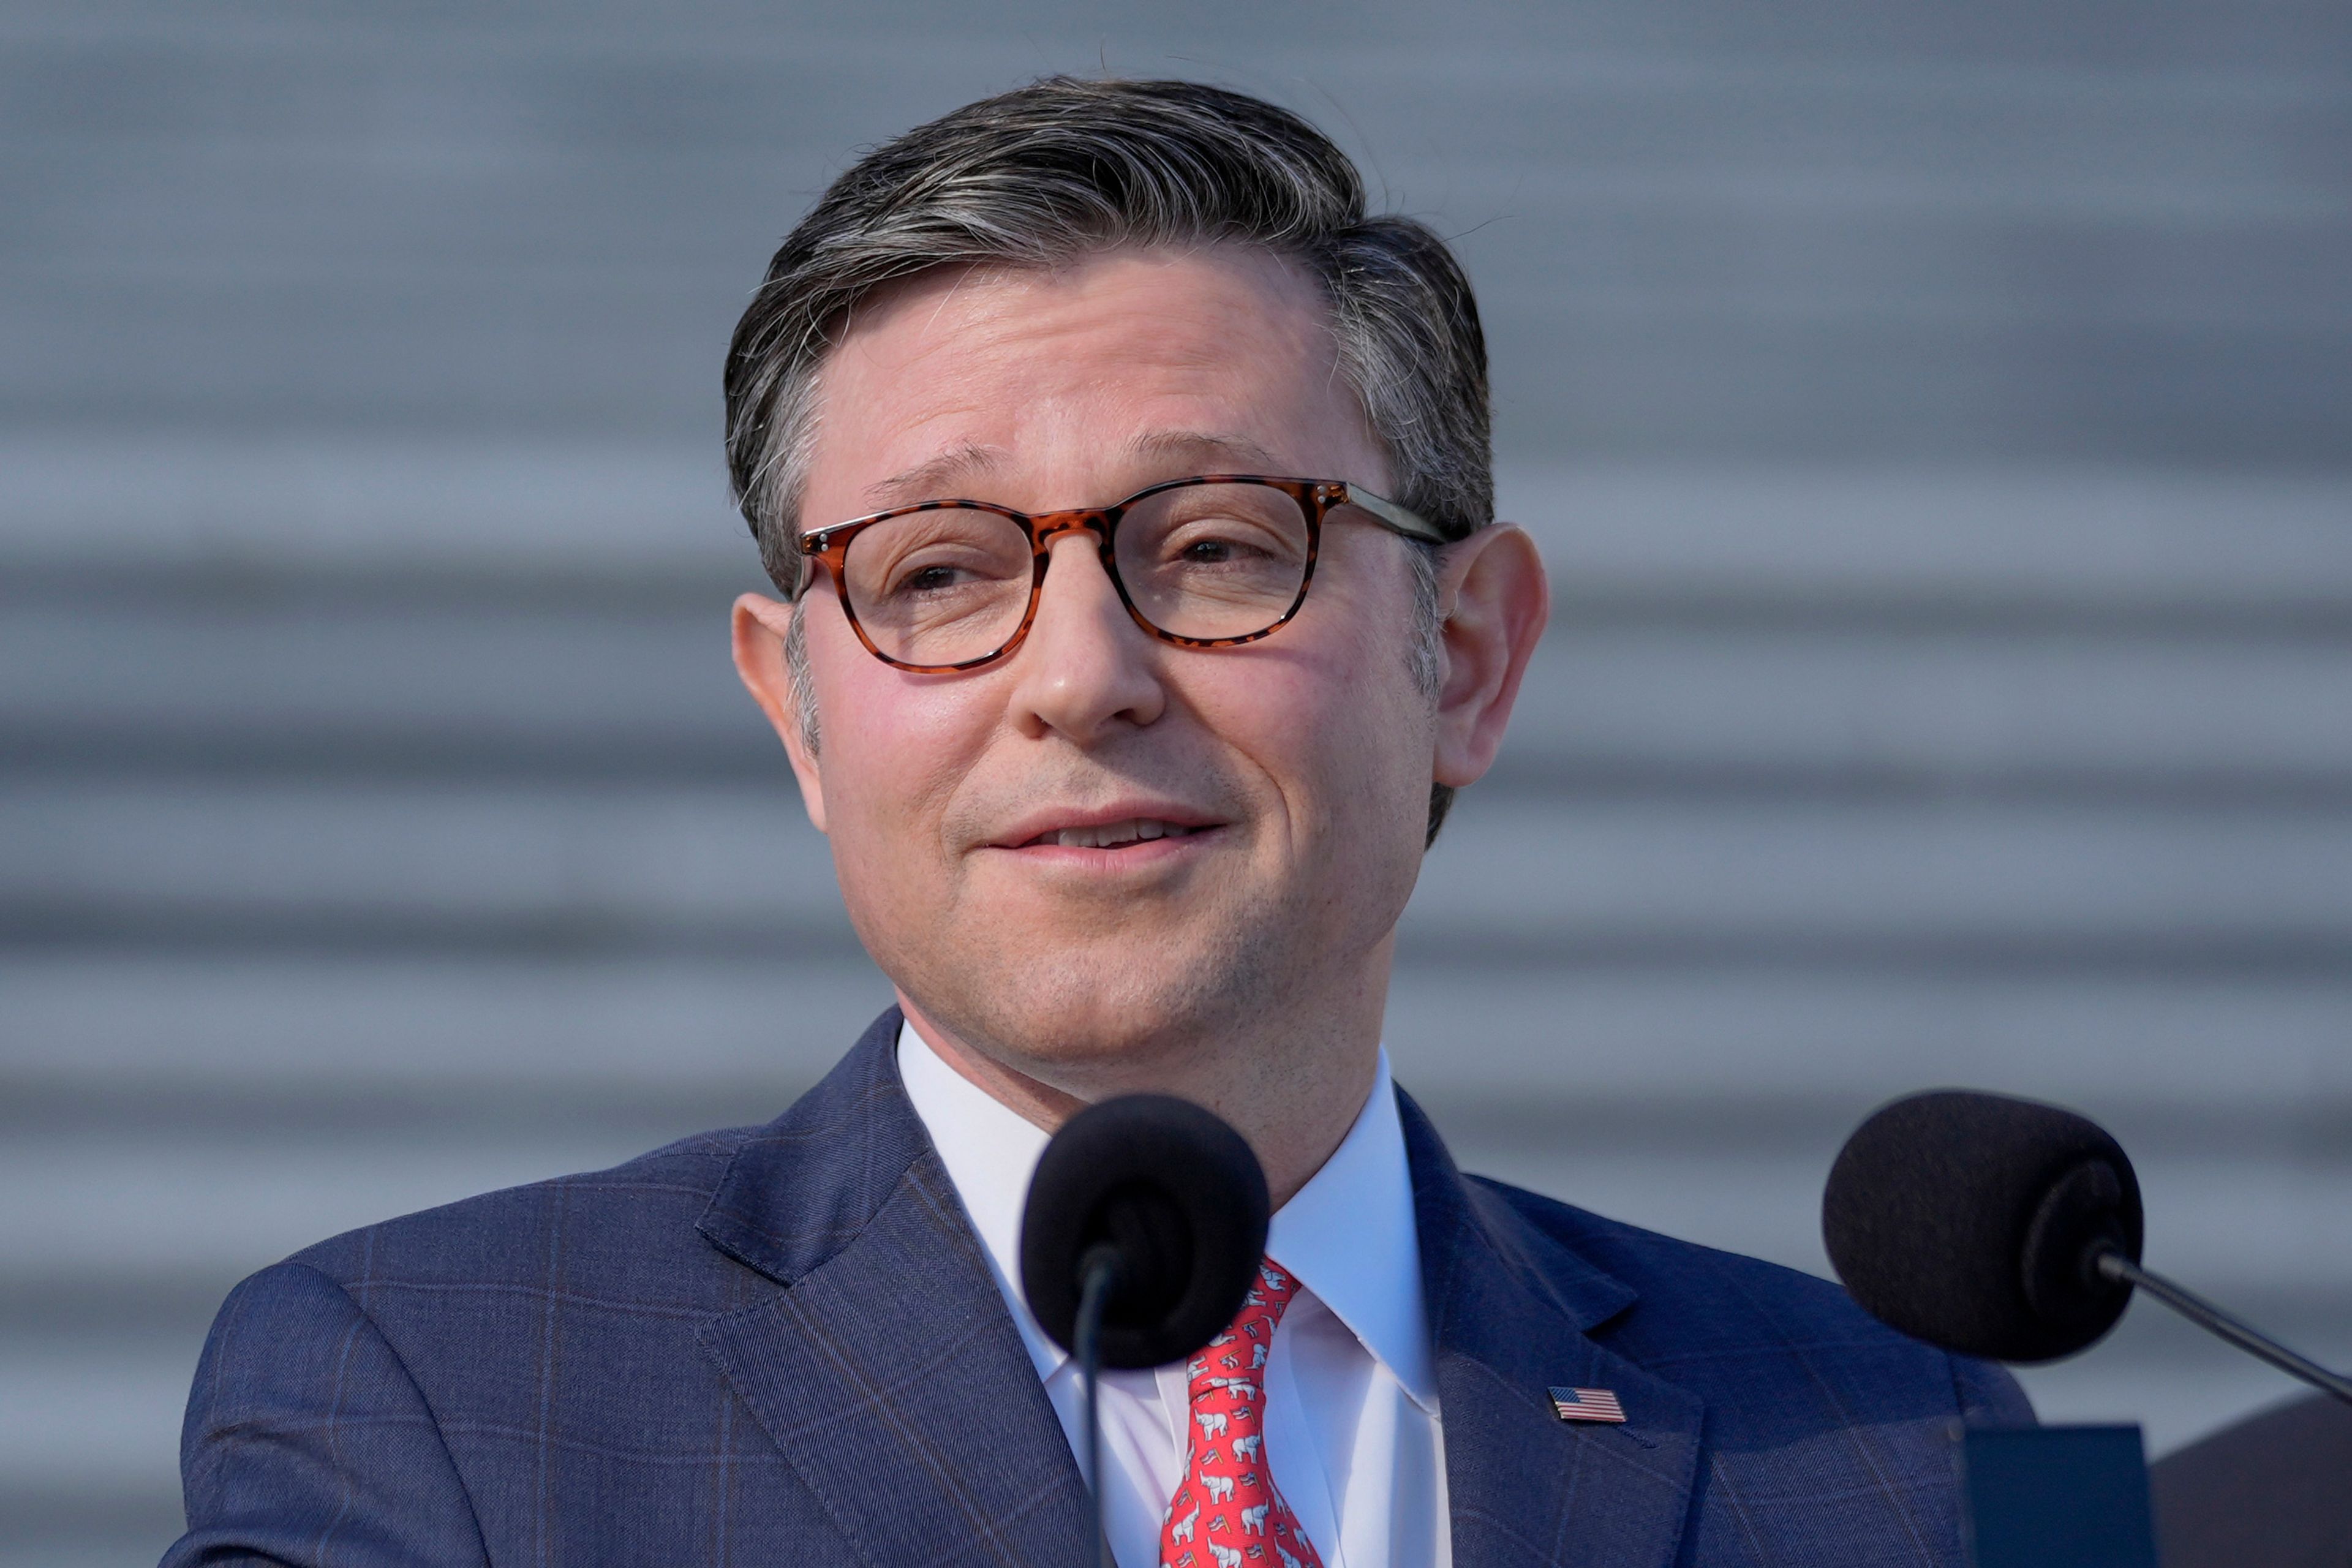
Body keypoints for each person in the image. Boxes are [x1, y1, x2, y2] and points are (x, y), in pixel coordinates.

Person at [165, 78, 2029, 1568]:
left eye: (1218, 546)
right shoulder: (442, 1397)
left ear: (1462, 650)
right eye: (941, 572)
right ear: (798, 707)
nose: (1080, 677)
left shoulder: (1897, 1443)